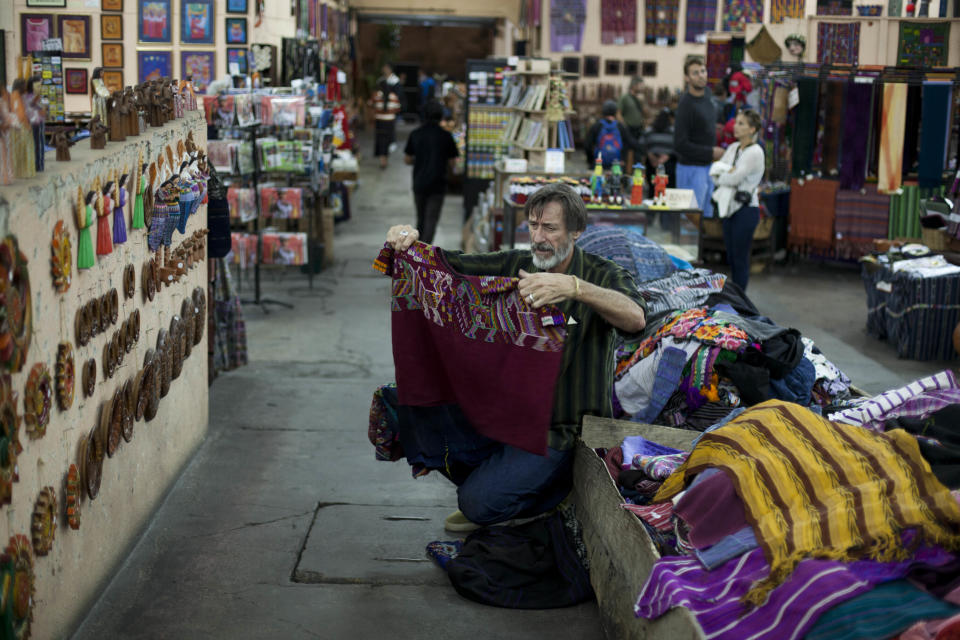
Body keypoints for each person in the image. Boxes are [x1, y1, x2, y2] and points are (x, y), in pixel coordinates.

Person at [383, 182, 647, 532]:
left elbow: (636, 316)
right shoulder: (517, 263)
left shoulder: (602, 274)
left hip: (560, 429)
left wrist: (575, 288)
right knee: (408, 410)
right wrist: (406, 240)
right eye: (533, 226)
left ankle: (552, 495)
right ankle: (506, 480)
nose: (538, 237)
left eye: (550, 228)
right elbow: (449, 266)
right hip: (508, 412)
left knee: (477, 503)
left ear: (577, 232)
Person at [710, 109, 765, 290]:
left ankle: (740, 301)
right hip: (729, 209)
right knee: (731, 257)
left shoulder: (755, 152)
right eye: (736, 122)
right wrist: (727, 173)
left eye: (742, 123)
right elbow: (714, 172)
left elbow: (735, 178)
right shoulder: (733, 148)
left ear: (752, 129)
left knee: (740, 258)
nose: (736, 127)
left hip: (746, 210)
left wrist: (726, 174)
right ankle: (735, 297)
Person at [675, 57, 725, 218]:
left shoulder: (709, 96)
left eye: (703, 71)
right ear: (687, 78)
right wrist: (710, 152)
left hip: (708, 168)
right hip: (690, 169)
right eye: (695, 73)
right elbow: (680, 144)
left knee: (707, 219)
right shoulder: (685, 105)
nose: (701, 76)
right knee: (690, 222)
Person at [403, 101, 458, 244]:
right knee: (431, 220)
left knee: (420, 219)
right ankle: (425, 254)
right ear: (440, 116)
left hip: (419, 182)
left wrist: (420, 160)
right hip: (438, 184)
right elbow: (453, 163)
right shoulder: (446, 136)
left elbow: (407, 159)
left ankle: (418, 252)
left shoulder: (415, 134)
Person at [584, 100, 642, 169]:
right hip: (617, 165)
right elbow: (631, 143)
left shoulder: (597, 126)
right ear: (615, 112)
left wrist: (591, 160)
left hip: (598, 164)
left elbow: (587, 145)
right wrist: (623, 159)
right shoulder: (620, 126)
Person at [368, 64, 402, 169]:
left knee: (381, 140)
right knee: (387, 140)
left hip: (380, 121)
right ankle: (385, 159)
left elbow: (370, 104)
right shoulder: (394, 97)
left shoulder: (376, 96)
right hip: (390, 121)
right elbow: (398, 108)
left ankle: (382, 160)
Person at [618, 76, 646, 142]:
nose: (642, 87)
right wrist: (624, 126)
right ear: (634, 85)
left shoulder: (641, 98)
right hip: (629, 128)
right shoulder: (625, 97)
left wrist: (642, 103)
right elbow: (618, 113)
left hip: (639, 128)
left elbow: (646, 114)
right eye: (640, 85)